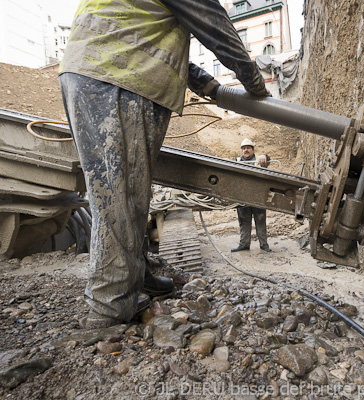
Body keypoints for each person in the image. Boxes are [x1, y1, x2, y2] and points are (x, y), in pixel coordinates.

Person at [59, 0, 270, 329]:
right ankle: (108, 309)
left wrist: (208, 85)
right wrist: (255, 83)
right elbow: (215, 25)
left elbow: (144, 33)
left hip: (93, 67)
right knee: (120, 196)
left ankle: (135, 276)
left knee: (126, 192)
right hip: (119, 75)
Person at [231, 139, 272, 253]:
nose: (246, 150)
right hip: (243, 197)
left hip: (258, 197)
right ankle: (244, 244)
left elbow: (268, 160)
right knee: (244, 222)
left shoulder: (260, 159)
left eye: (248, 148)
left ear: (253, 149)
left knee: (260, 221)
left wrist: (265, 155)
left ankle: (264, 245)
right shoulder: (237, 161)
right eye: (244, 148)